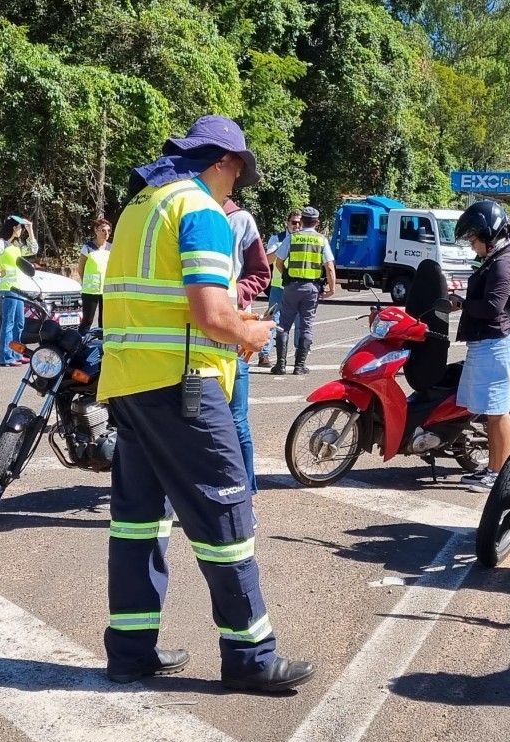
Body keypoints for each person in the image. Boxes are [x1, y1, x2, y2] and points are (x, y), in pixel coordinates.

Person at [97, 115, 314, 693]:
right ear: (221, 161)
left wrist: (231, 322)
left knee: (138, 521)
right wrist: (252, 335)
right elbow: (211, 316)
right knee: (227, 517)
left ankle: (130, 650)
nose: (236, 188)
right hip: (183, 385)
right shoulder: (201, 211)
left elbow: (163, 303)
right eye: (238, 172)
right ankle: (250, 657)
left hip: (131, 382)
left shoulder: (142, 206)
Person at [450, 200, 510, 493]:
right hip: (490, 343)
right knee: (495, 412)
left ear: (489, 234)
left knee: (497, 412)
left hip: (496, 344)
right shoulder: (498, 259)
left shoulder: (504, 263)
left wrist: (462, 303)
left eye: (474, 239)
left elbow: (493, 307)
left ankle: (499, 475)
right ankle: (493, 468)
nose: (472, 245)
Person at [223, 195, 272, 491]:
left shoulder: (239, 219)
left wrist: (232, 296)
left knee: (236, 418)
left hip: (233, 328)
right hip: (193, 336)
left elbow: (260, 272)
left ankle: (247, 490)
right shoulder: (184, 209)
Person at [271, 206, 336, 375]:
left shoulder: (292, 238)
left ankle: (281, 365)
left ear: (302, 221)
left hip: (292, 286)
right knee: (306, 326)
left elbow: (278, 261)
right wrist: (332, 288)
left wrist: (286, 276)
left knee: (283, 324)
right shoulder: (322, 240)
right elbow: (329, 266)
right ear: (317, 222)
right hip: (312, 288)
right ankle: (299, 366)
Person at [0, 215, 39, 366]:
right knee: (8, 323)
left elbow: (33, 249)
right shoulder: (1, 244)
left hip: (19, 289)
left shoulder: (16, 246)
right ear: (14, 228)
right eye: (21, 227)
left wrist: (30, 230)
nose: (21, 230)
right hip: (8, 289)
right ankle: (5, 357)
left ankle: (17, 353)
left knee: (19, 323)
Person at [259, 211, 303, 368]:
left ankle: (300, 357)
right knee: (272, 320)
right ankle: (264, 354)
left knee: (300, 322)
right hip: (279, 286)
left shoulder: (305, 240)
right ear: (287, 223)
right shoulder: (277, 238)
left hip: (298, 286)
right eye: (293, 222)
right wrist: (280, 248)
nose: (296, 225)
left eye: (299, 222)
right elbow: (267, 261)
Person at [79, 217, 112, 331]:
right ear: (96, 230)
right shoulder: (88, 247)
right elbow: (80, 268)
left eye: (108, 230)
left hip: (106, 290)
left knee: (104, 322)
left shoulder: (111, 248)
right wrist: (85, 283)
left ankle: (101, 346)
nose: (106, 233)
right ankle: (80, 345)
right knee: (87, 321)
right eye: (103, 230)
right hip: (90, 291)